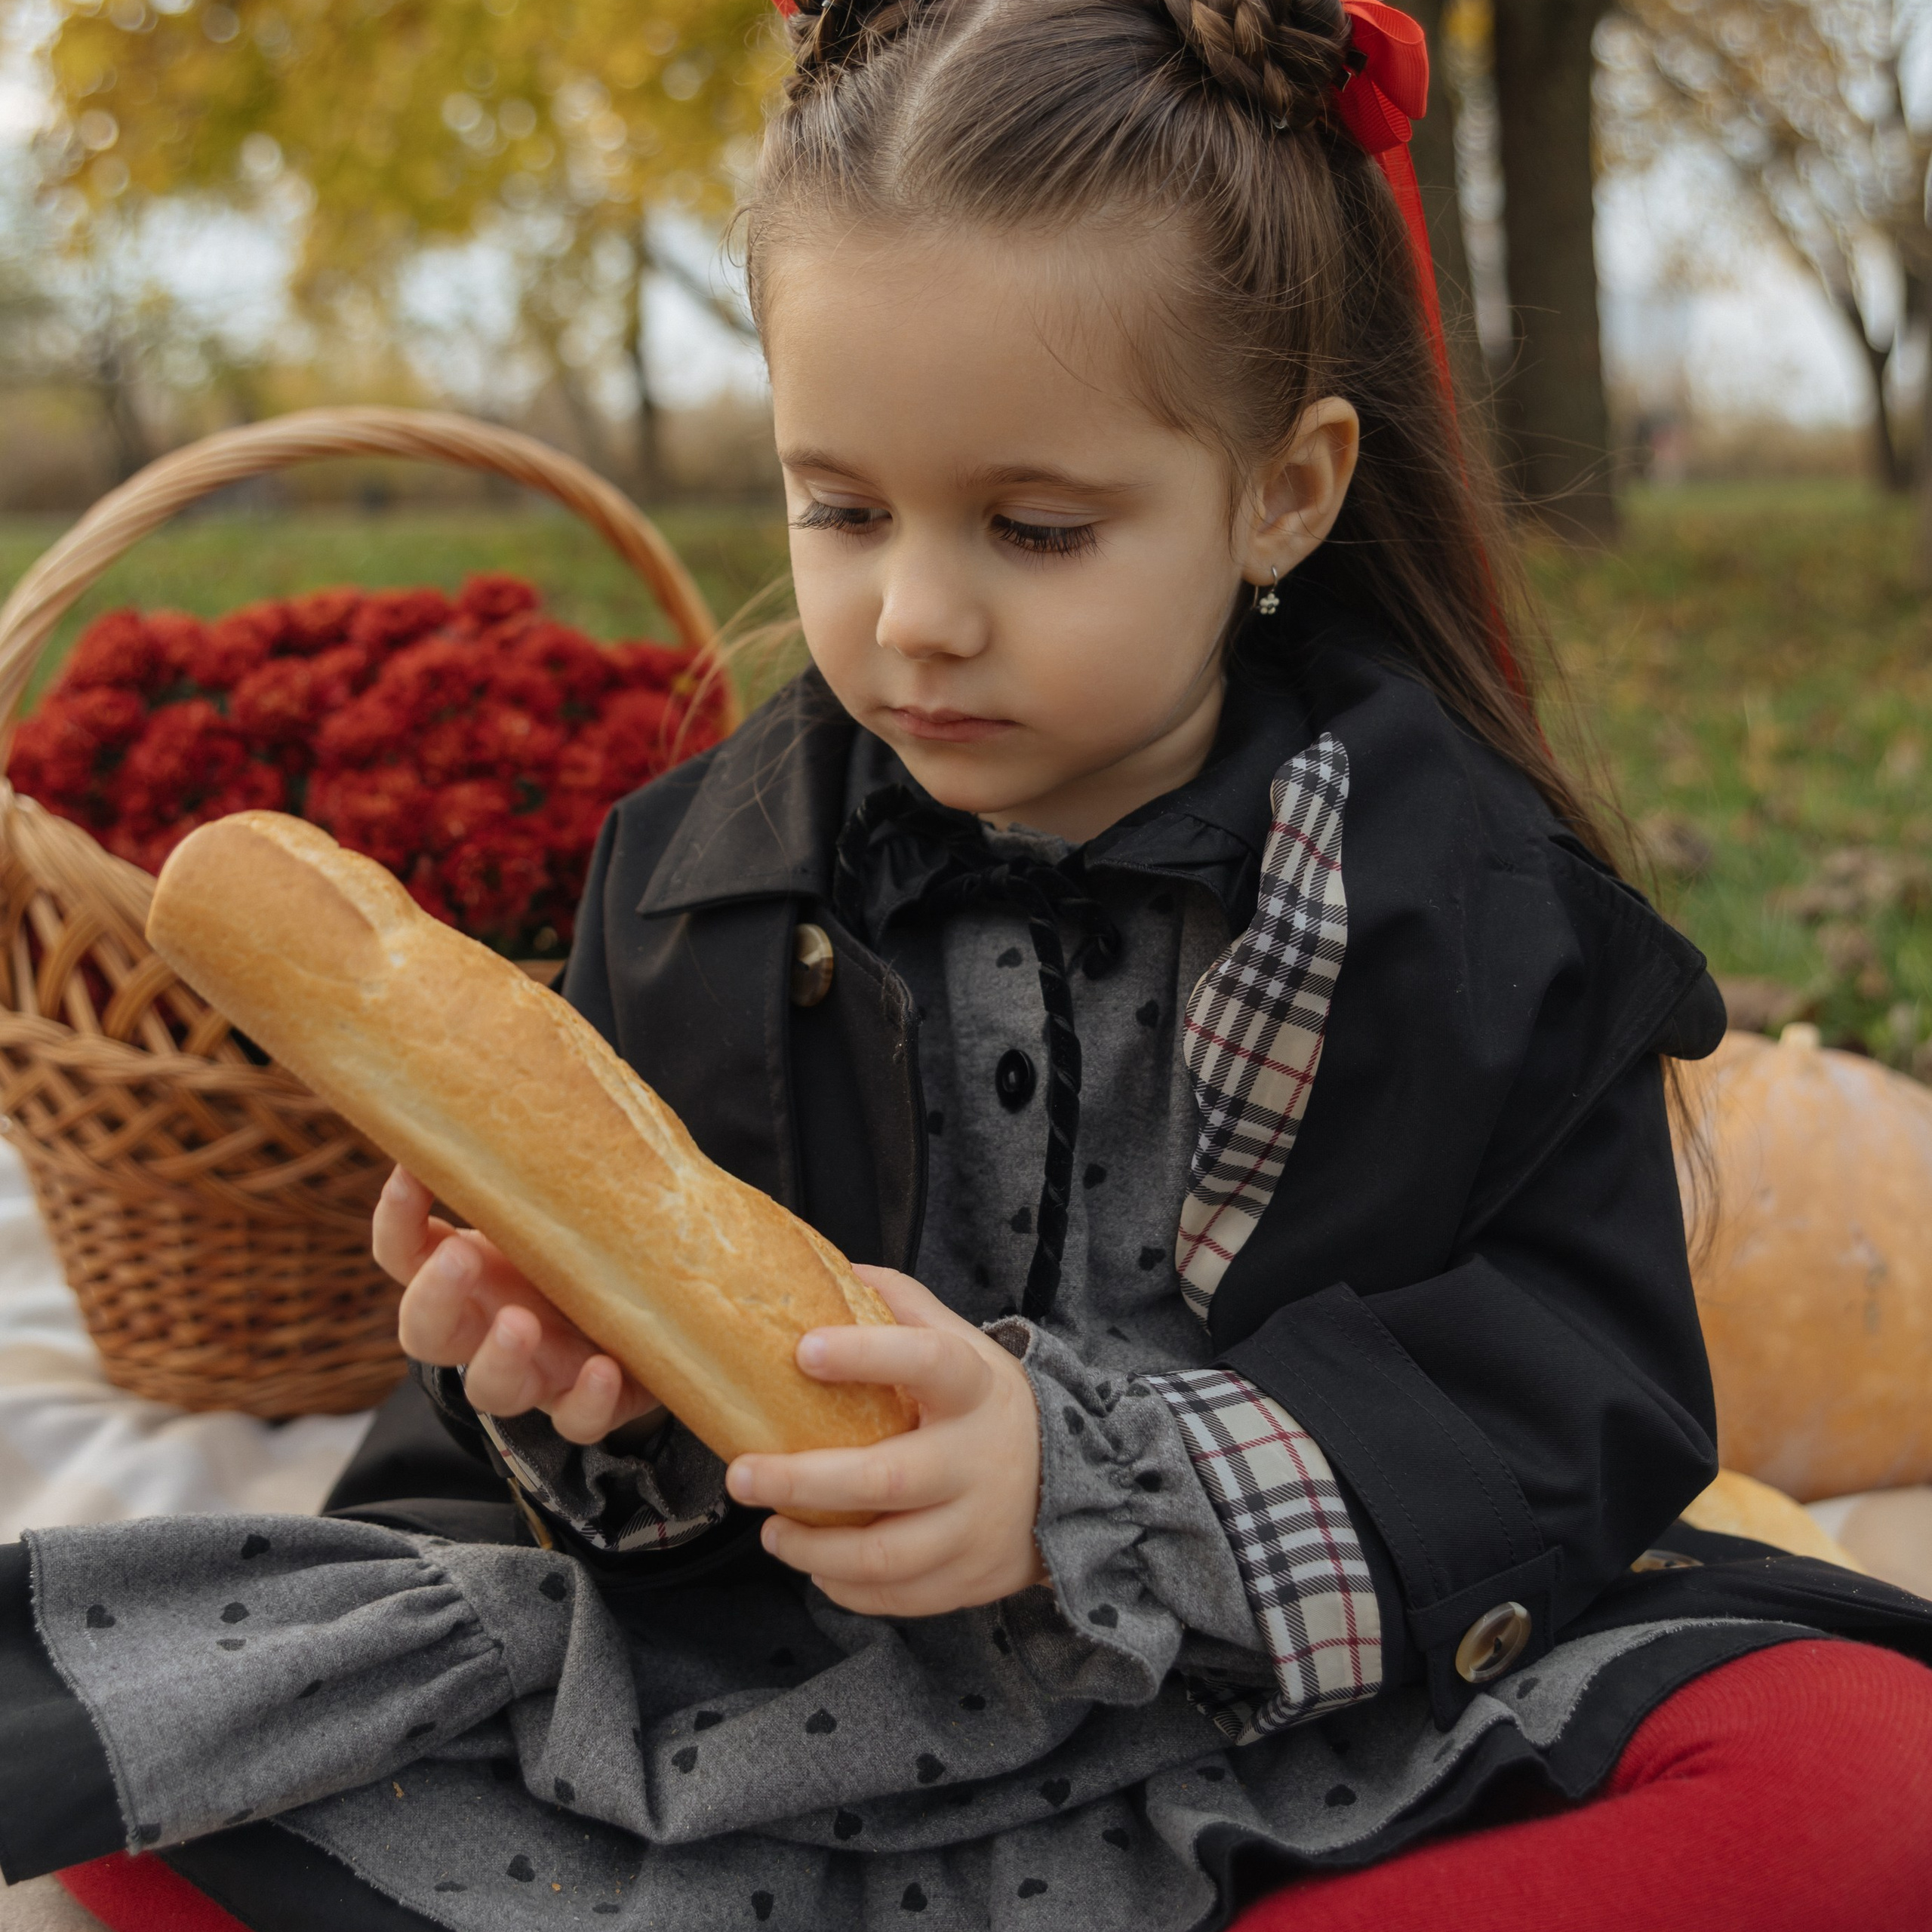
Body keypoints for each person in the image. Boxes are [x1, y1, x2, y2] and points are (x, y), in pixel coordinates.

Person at [5, 2, 1932, 1928]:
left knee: (1866, 1775)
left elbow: (1574, 1396)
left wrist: (1088, 1486)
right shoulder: (691, 882)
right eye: (837, 506)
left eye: (1032, 525)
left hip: (1309, 1713)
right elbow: (534, 1504)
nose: (914, 614)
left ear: (1283, 487)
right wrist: (576, 1405)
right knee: (133, 1726)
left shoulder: (1474, 907)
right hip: (785, 1714)